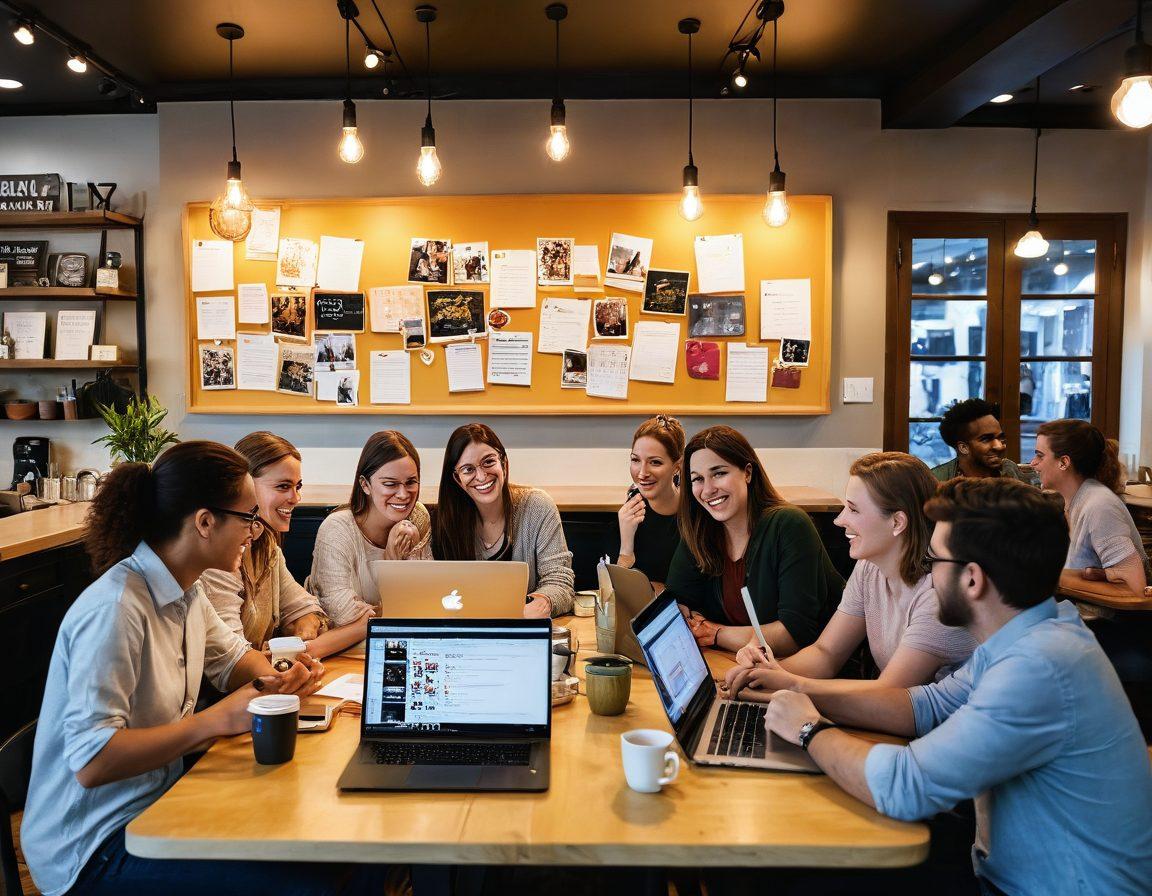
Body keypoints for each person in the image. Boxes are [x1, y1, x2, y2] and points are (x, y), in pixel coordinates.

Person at [751, 477, 1152, 895]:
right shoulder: (1033, 633)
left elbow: (906, 786)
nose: (927, 572)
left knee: (792, 877)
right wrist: (797, 689)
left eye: (934, 560)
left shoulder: (1037, 667)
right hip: (1005, 871)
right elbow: (924, 706)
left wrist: (809, 729)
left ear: (973, 579)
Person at [21, 442, 387, 896]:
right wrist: (214, 721)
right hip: (94, 849)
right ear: (205, 522)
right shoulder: (117, 608)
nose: (255, 531)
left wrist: (280, 676)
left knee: (358, 848)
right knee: (315, 881)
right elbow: (92, 761)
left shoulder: (186, 591)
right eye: (248, 518)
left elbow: (234, 658)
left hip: (159, 805)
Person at [725, 452, 975, 697]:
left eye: (853, 510)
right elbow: (826, 654)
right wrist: (762, 673)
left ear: (898, 522)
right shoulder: (869, 567)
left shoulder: (936, 597)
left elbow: (890, 693)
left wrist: (787, 684)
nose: (839, 520)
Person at [664, 425, 842, 657]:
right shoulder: (701, 528)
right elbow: (679, 601)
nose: (708, 490)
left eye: (719, 473)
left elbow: (795, 635)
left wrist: (717, 633)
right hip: (738, 662)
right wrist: (687, 617)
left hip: (803, 672)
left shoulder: (789, 525)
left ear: (747, 472)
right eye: (697, 479)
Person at [201, 432, 369, 659]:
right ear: (244, 486)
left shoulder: (267, 545)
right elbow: (232, 661)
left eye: (297, 486)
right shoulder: (220, 556)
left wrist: (305, 625)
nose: (296, 497)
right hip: (227, 692)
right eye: (283, 486)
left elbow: (307, 609)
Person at [432, 422, 574, 618]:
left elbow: (560, 581)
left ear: (504, 463)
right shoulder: (446, 521)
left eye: (488, 462)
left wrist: (542, 603)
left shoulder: (537, 507)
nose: (481, 476)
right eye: (468, 469)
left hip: (522, 630)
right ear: (457, 479)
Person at [307, 430, 432, 627]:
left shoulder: (418, 516)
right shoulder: (337, 529)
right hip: (342, 648)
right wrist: (390, 563)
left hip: (395, 639)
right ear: (365, 485)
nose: (403, 494)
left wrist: (398, 565)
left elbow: (425, 599)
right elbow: (342, 616)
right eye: (390, 484)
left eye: (411, 482)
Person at [1031, 418, 1150, 599]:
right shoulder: (1073, 501)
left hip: (1107, 625)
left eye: (1040, 455)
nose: (1033, 463)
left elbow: (1134, 589)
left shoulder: (1100, 505)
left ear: (1064, 462)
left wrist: (1055, 579)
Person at [616, 415, 685, 591]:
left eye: (655, 462)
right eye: (635, 460)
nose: (642, 473)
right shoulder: (631, 508)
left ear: (677, 466)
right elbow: (618, 595)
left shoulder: (694, 513)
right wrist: (626, 547)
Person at [929, 398, 1035, 483]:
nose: (999, 446)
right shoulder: (937, 481)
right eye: (986, 439)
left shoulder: (1010, 471)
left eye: (1000, 438)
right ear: (963, 447)